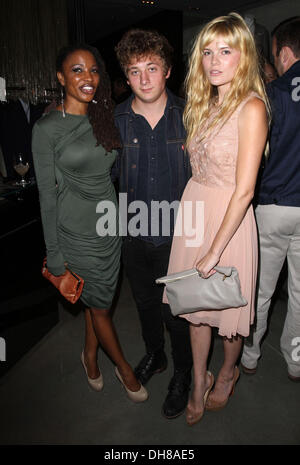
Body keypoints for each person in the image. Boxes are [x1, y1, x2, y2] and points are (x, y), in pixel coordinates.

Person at [164, 12, 269, 425]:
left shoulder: (252, 107)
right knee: (194, 308)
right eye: (207, 51)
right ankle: (197, 381)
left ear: (244, 56)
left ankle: (227, 373)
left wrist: (213, 249)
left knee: (228, 314)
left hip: (231, 219)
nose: (214, 60)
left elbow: (245, 191)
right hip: (196, 210)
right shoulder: (204, 103)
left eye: (226, 51)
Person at [32, 44, 148, 403]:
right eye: (77, 70)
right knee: (100, 306)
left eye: (94, 70)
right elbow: (46, 199)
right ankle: (125, 369)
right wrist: (54, 255)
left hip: (108, 228)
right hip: (76, 234)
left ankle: (89, 356)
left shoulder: (104, 116)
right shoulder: (47, 128)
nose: (88, 78)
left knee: (97, 301)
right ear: (61, 77)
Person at [113, 29, 193, 419]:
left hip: (179, 236)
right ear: (125, 77)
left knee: (175, 312)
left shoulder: (192, 115)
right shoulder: (114, 121)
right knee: (144, 305)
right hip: (133, 233)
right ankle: (155, 356)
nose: (143, 79)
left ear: (167, 71)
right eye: (133, 71)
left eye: (151, 68)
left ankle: (184, 371)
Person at [241, 17, 300, 382]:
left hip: (274, 206)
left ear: (284, 53)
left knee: (260, 288)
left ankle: (249, 354)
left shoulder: (272, 95)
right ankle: (296, 361)